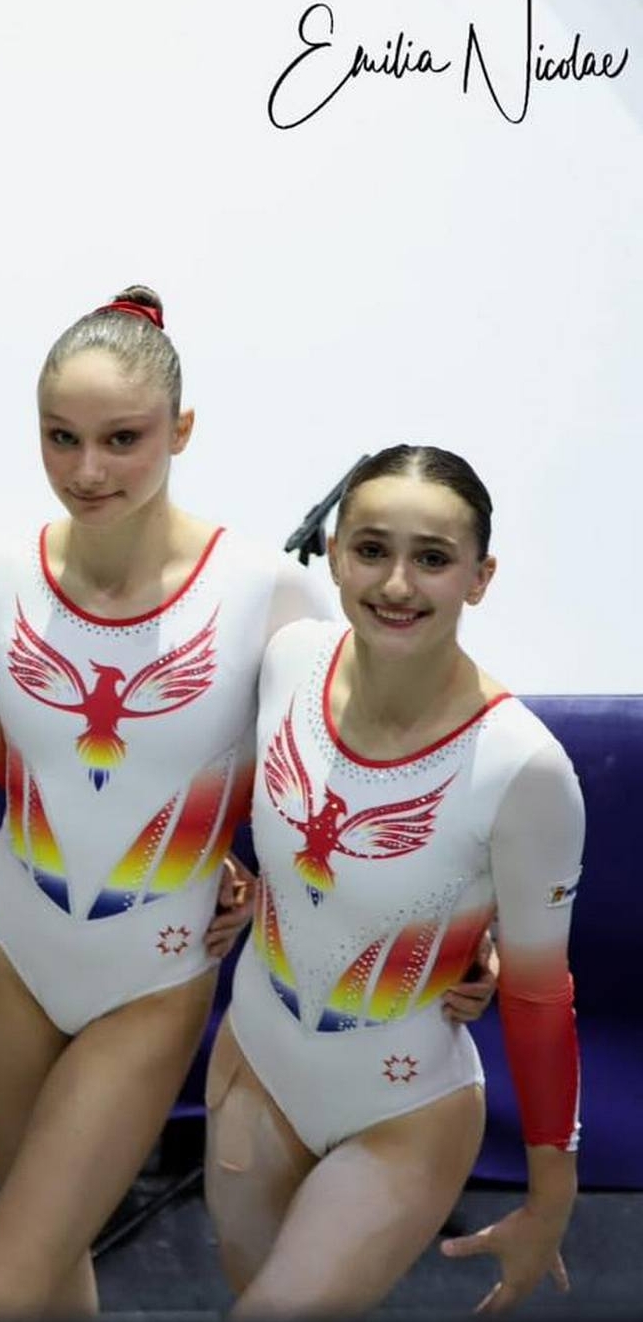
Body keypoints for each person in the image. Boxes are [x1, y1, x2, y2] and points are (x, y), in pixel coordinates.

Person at [0, 288, 493, 1317]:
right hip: (6, 941)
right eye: (61, 438)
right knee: (47, 1269)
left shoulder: (262, 590)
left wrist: (470, 932)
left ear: (181, 428)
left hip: (154, 973)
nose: (87, 469)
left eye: (122, 438)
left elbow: (365, 768)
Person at [208, 444, 582, 1315]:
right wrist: (222, 868)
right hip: (254, 1058)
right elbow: (226, 791)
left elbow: (539, 995)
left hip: (403, 1105)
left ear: (481, 577)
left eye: (433, 558)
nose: (398, 584)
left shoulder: (524, 766)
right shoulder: (290, 656)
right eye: (373, 549)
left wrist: (550, 1196)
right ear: (335, 553)